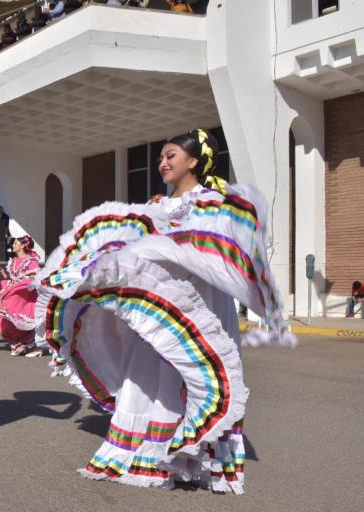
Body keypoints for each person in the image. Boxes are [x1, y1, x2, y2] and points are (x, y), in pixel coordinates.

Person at [33, 129, 296, 494]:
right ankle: (148, 451)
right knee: (147, 372)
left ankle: (194, 456)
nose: (163, 162)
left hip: (197, 306)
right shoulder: (155, 206)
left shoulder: (212, 202)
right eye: (160, 157)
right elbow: (136, 246)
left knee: (190, 372)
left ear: (193, 161)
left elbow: (209, 251)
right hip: (159, 308)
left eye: (170, 155)